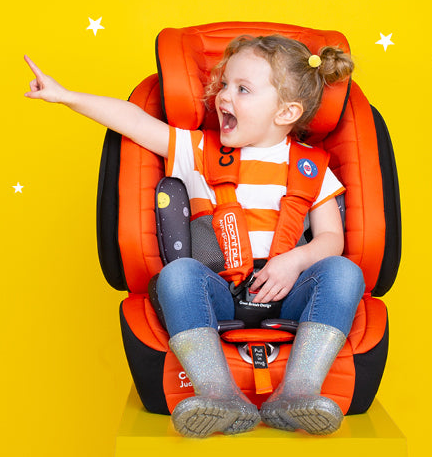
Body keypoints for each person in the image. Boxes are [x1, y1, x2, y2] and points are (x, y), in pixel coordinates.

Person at [23, 34, 365, 437]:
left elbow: (331, 240)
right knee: (177, 274)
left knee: (344, 272)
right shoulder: (197, 150)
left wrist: (294, 262)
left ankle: (299, 390)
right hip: (217, 292)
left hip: (287, 293)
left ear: (286, 111)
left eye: (242, 89)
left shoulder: (313, 169)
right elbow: (134, 121)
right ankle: (217, 393)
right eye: (224, 84)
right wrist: (66, 96)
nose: (223, 97)